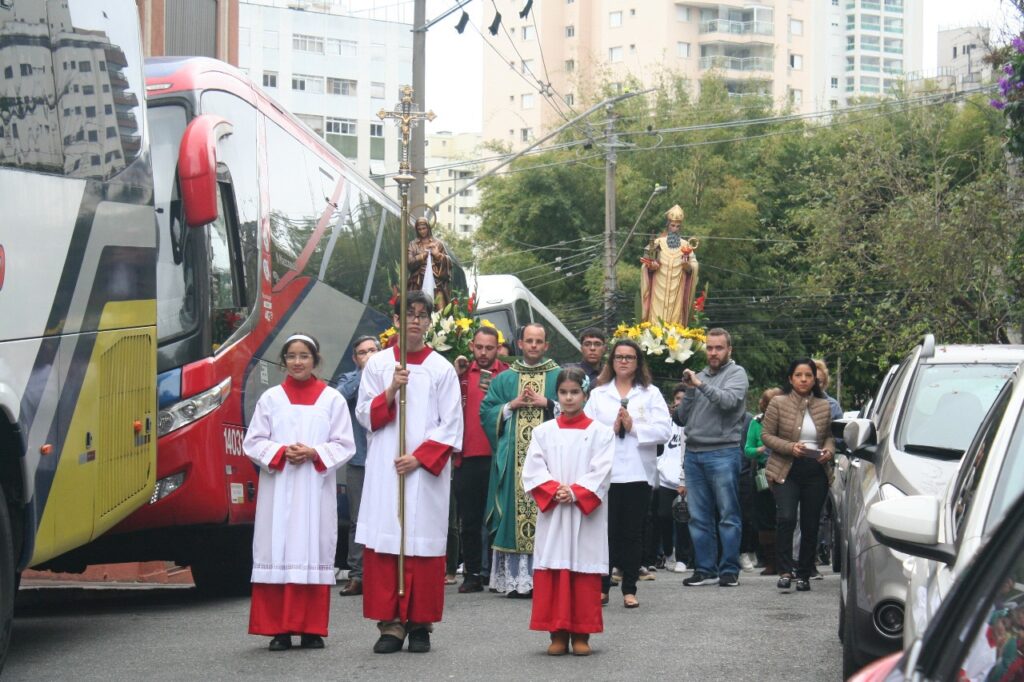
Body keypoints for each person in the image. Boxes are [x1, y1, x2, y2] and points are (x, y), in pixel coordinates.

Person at [355, 291, 464, 654]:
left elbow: (451, 425)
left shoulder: (440, 368)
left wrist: (419, 457)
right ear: (397, 320)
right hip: (387, 467)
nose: (415, 320)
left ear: (429, 322)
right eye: (409, 314)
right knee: (389, 541)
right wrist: (391, 390)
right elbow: (364, 415)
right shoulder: (379, 365)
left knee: (421, 545)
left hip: (423, 473)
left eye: (422, 315)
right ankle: (391, 625)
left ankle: (420, 624)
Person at [244, 333, 357, 651]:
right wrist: (281, 453)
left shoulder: (331, 399)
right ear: (283, 362)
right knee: (277, 548)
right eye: (291, 356)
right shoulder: (271, 399)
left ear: (315, 360)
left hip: (314, 490)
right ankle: (279, 629)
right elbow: (253, 441)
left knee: (312, 549)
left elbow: (345, 443)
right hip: (278, 490)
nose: (297, 362)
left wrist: (313, 453)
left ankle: (310, 628)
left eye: (304, 356)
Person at [522, 367, 615, 656]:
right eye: (563, 392)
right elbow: (533, 470)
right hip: (555, 513)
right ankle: (557, 632)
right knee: (555, 565)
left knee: (583, 568)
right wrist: (554, 490)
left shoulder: (600, 433)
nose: (569, 398)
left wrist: (575, 491)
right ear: (557, 395)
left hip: (585, 514)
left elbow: (603, 470)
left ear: (585, 394)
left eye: (575, 392)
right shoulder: (543, 432)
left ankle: (582, 633)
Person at [584, 339, 673, 608]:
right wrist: (608, 430)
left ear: (637, 363)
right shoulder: (599, 395)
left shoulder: (651, 393)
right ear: (611, 361)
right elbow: (586, 431)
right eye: (619, 357)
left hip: (637, 473)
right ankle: (602, 586)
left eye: (629, 357)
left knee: (633, 533)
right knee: (605, 532)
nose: (623, 361)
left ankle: (630, 588)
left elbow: (664, 431)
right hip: (607, 473)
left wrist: (634, 427)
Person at [482, 323, 560, 597]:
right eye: (530, 341)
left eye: (539, 341)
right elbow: (486, 411)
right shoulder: (504, 379)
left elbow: (577, 408)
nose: (534, 346)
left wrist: (548, 404)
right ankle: (517, 580)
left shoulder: (559, 376)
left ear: (546, 345)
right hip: (512, 460)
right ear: (520, 344)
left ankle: (546, 580)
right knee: (513, 514)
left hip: (550, 463)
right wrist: (510, 406)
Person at [675, 328, 749, 588]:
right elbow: (682, 418)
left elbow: (729, 402)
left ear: (729, 350)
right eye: (709, 348)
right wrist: (690, 390)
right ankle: (705, 569)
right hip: (694, 453)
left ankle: (729, 569)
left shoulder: (736, 374)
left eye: (719, 348)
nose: (713, 353)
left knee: (728, 514)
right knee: (698, 515)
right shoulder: (700, 377)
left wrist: (700, 385)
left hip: (723, 452)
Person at [760, 359, 835, 593]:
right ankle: (785, 570)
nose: (803, 379)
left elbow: (830, 437)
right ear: (790, 378)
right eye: (798, 375)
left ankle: (804, 573)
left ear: (815, 379)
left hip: (816, 470)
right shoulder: (778, 403)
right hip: (786, 468)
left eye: (808, 376)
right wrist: (790, 447)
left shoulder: (824, 405)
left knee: (811, 523)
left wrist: (829, 451)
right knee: (787, 518)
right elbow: (766, 436)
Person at [453, 326, 509, 593]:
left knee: (498, 517)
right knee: (470, 520)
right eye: (479, 347)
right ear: (472, 347)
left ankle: (497, 573)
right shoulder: (461, 374)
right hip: (468, 457)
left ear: (498, 348)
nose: (484, 352)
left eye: (490, 347)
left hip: (500, 456)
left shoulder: (509, 375)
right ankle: (473, 572)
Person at [336, 335, 381, 597]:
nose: (369, 355)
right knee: (357, 520)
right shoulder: (349, 379)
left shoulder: (391, 375)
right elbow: (338, 398)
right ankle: (357, 575)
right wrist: (364, 372)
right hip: (359, 460)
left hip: (386, 459)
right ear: (356, 358)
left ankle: (380, 573)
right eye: (363, 353)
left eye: (373, 350)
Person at [744, 387, 783, 576]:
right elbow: (747, 449)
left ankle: (785, 560)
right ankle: (769, 561)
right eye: (770, 404)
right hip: (762, 474)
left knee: (784, 516)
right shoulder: (756, 422)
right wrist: (760, 450)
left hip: (784, 472)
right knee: (764, 518)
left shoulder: (789, 421)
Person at [640, 204, 700, 326]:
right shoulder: (658, 243)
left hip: (677, 292)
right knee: (655, 321)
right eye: (672, 225)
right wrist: (651, 267)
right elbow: (646, 262)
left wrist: (687, 267)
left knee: (675, 322)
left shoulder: (686, 245)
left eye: (678, 226)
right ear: (668, 226)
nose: (675, 229)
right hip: (658, 291)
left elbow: (694, 265)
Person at [656, 384, 691, 574]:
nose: (680, 403)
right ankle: (668, 553)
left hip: (684, 480)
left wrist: (683, 479)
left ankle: (683, 558)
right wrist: (660, 468)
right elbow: (659, 449)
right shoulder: (666, 423)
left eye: (684, 399)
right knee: (663, 516)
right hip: (664, 479)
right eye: (677, 399)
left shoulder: (691, 424)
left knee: (683, 518)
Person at [407, 217, 452, 307]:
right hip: (418, 282)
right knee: (418, 308)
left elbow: (449, 262)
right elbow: (409, 262)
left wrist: (438, 255)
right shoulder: (413, 244)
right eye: (419, 229)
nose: (422, 231)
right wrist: (423, 255)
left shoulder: (438, 243)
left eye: (424, 228)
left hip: (437, 283)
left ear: (428, 228)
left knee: (440, 312)